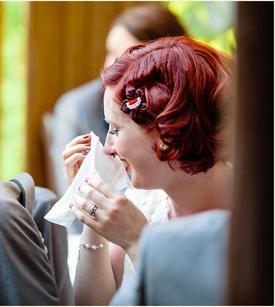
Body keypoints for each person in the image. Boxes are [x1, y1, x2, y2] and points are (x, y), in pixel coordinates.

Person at [63, 36, 233, 304]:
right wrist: (93, 217)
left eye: (116, 129)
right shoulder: (146, 201)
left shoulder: (248, 223)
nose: (107, 148)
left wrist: (140, 241)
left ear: (169, 130)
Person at [49, 4, 186, 197]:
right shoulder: (76, 109)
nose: (108, 66)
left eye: (123, 58)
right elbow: (71, 203)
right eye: (109, 52)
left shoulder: (184, 114)